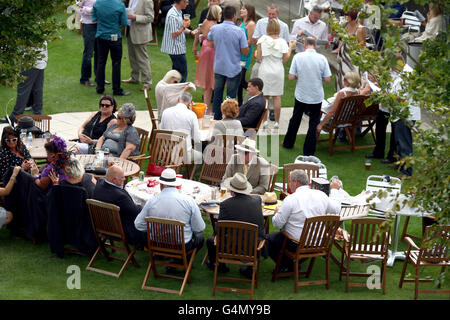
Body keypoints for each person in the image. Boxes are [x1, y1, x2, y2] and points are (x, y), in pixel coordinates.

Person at [267, 169, 341, 272]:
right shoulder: (321, 195)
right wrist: (335, 191)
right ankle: (291, 265)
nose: (289, 185)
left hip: (298, 243)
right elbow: (337, 208)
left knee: (268, 239)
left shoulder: (291, 199)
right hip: (318, 242)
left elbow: (277, 223)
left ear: (295, 182)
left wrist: (276, 214)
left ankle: (288, 265)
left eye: (290, 182)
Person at [134, 168, 205, 259]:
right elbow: (199, 228)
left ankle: (163, 256)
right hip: (181, 246)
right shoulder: (189, 201)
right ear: (175, 185)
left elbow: (138, 225)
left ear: (161, 185)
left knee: (144, 234)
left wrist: (152, 229)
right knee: (200, 238)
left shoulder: (151, 201)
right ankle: (180, 261)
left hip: (156, 244)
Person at [205, 172, 266, 277]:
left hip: (231, 249)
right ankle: (250, 270)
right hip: (253, 248)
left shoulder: (226, 205)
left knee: (211, 241)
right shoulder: (257, 200)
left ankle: (219, 266)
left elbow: (219, 230)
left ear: (232, 190)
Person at [282, 37, 331, 156]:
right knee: (313, 122)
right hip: (316, 95)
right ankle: (309, 151)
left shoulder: (298, 57)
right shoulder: (322, 58)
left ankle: (288, 142)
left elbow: (291, 77)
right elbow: (327, 79)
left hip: (301, 94)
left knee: (296, 118)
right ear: (315, 46)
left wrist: (300, 76)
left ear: (304, 46)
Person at [208, 5, 249, 120]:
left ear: (222, 16)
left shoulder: (214, 28)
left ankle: (216, 119)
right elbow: (245, 52)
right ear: (234, 16)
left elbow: (211, 44)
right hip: (233, 68)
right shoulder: (240, 31)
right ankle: (229, 119)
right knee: (231, 97)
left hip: (219, 66)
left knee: (217, 95)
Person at [93, 165, 147, 246]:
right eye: (122, 178)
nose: (124, 179)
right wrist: (141, 206)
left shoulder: (99, 183)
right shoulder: (120, 196)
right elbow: (136, 212)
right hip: (120, 231)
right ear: (114, 180)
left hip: (101, 226)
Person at [257, 19, 296, 129]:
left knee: (264, 96)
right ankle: (276, 122)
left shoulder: (262, 40)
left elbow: (259, 58)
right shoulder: (282, 42)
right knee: (276, 96)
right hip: (277, 70)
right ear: (278, 28)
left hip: (264, 69)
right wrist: (290, 48)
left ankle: (264, 121)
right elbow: (285, 59)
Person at [0, 42, 47, 124]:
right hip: (41, 61)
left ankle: (14, 117)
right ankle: (38, 115)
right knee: (37, 89)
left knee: (23, 90)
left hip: (30, 62)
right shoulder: (42, 31)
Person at [92, 0, 130, 96]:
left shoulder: (97, 3)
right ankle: (116, 90)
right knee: (116, 63)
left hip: (101, 36)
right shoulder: (120, 5)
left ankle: (100, 88)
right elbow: (124, 22)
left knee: (101, 62)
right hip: (114, 36)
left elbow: (94, 19)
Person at [193, 5, 222, 110]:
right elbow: (214, 42)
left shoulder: (205, 21)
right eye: (219, 13)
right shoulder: (214, 26)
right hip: (211, 51)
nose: (220, 15)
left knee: (206, 80)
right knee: (210, 79)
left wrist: (195, 46)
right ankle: (208, 107)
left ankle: (206, 106)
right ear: (215, 14)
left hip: (205, 49)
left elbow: (198, 32)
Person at [161, 0, 197, 83]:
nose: (188, 4)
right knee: (181, 74)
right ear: (181, 1)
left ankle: (173, 92)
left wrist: (191, 32)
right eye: (186, 2)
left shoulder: (178, 11)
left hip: (178, 47)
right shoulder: (173, 15)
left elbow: (179, 27)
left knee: (176, 73)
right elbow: (174, 34)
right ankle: (178, 93)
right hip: (175, 49)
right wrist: (184, 27)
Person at [160, 92, 202, 163]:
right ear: (189, 104)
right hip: (183, 155)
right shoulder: (191, 115)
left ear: (178, 99)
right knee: (200, 155)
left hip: (167, 152)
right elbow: (197, 139)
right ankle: (188, 173)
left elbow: (162, 131)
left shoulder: (166, 112)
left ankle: (178, 169)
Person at [122, 0, 154, 91]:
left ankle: (147, 83)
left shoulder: (147, 1)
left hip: (140, 33)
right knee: (132, 57)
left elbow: (150, 17)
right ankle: (134, 78)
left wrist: (135, 17)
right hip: (130, 30)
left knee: (142, 59)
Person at [333, 10, 366, 91]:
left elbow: (363, 47)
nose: (345, 17)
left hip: (353, 58)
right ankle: (340, 95)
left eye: (347, 16)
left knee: (352, 79)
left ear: (352, 17)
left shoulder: (360, 29)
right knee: (342, 77)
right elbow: (337, 36)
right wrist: (338, 49)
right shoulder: (345, 25)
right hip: (343, 56)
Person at [237, 4, 256, 106]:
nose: (241, 10)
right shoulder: (242, 22)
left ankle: (256, 93)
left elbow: (250, 40)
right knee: (239, 79)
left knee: (240, 80)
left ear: (249, 11)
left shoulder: (251, 24)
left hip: (245, 53)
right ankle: (239, 103)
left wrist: (239, 47)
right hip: (239, 53)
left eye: (244, 9)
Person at [78, 0, 99, 87]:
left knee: (100, 52)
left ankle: (99, 77)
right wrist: (90, 10)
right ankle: (85, 78)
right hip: (88, 25)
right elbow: (77, 7)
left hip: (100, 24)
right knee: (88, 53)